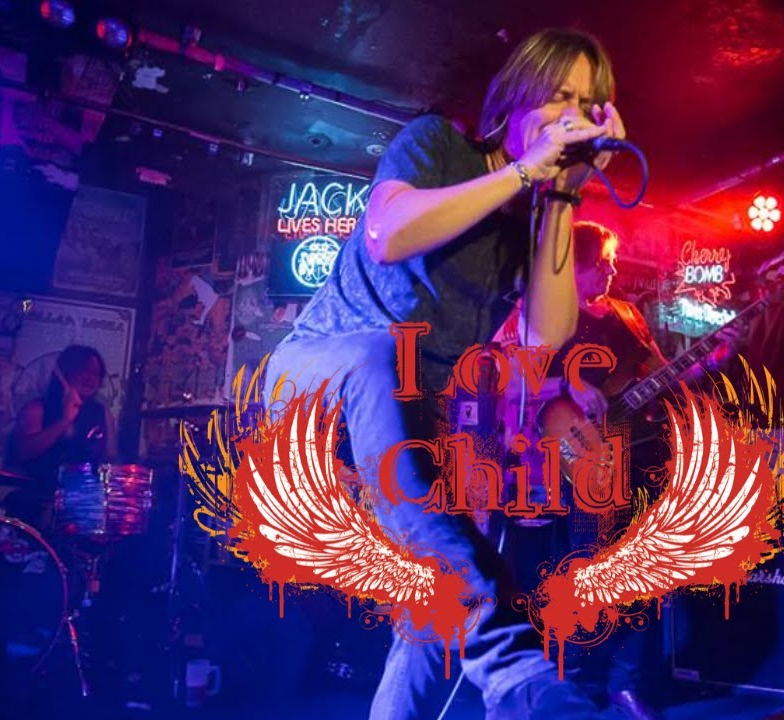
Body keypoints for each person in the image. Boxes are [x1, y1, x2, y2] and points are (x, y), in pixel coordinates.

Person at [264, 28, 627, 720]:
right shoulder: (438, 145)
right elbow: (387, 234)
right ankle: (518, 676)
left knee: (437, 602)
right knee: (380, 351)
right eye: (559, 96)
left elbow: (547, 334)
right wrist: (523, 173)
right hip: (316, 380)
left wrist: (561, 197)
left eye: (588, 106)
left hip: (402, 422)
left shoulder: (529, 215)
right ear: (517, 96)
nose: (572, 117)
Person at [493, 221, 746, 720]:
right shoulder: (538, 316)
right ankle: (572, 681)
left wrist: (713, 361)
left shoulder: (627, 315)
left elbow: (665, 379)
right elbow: (503, 378)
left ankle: (624, 683)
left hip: (632, 459)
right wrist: (564, 386)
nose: (611, 270)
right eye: (602, 262)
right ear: (574, 266)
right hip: (567, 462)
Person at [6, 345, 116, 515]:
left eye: (96, 373)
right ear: (64, 374)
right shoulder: (37, 409)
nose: (90, 378)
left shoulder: (102, 413)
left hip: (82, 504)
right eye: (83, 371)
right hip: (36, 500)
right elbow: (23, 453)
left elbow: (110, 458)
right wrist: (64, 421)